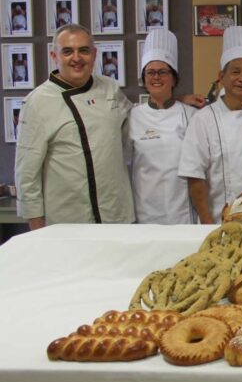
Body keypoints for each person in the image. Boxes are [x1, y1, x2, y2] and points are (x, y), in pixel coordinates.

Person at [14, 23, 134, 229]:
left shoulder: (110, 89)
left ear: (94, 54)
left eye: (84, 51)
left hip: (116, 217)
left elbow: (139, 121)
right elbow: (26, 174)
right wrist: (37, 229)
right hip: (67, 223)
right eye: (68, 51)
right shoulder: (37, 102)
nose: (77, 58)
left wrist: (174, 102)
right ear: (54, 56)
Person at [178, 26, 242, 223]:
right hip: (219, 222)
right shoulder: (203, 119)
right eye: (236, 72)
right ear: (221, 77)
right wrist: (207, 223)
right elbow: (194, 177)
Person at [127, 29, 198, 224]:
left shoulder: (191, 115)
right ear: (144, 79)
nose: (156, 77)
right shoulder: (132, 116)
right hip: (144, 210)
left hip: (183, 212)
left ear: (174, 78)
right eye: (150, 72)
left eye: (163, 72)